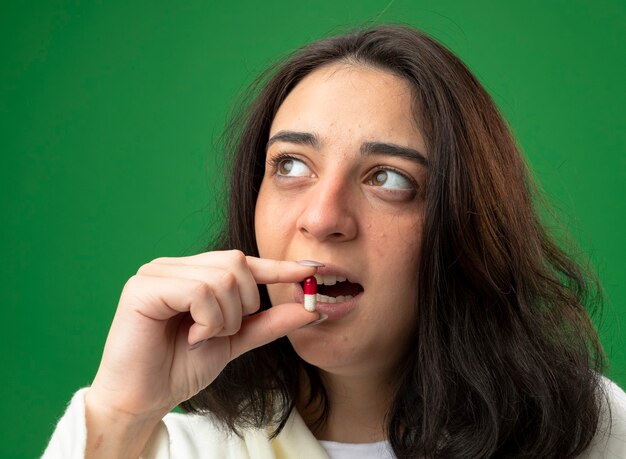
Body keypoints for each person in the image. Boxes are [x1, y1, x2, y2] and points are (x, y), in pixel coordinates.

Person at [44, 24, 625, 458]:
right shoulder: (175, 449)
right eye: (291, 165)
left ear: (463, 225)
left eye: (388, 178)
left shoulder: (598, 433)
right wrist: (121, 414)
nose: (322, 218)